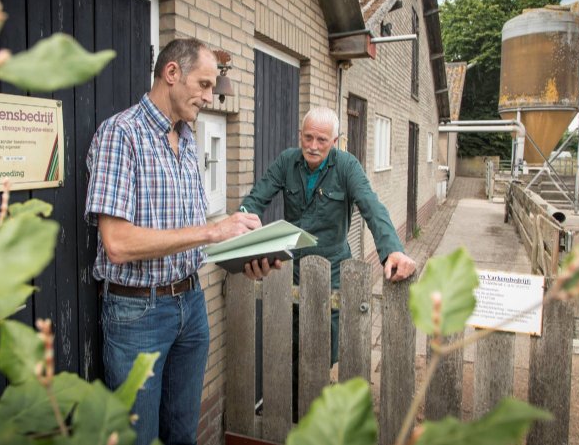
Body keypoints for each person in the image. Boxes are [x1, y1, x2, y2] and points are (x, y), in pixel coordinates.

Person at [85, 38, 276, 445]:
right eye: (204, 85)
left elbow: (189, 230)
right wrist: (213, 231)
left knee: (183, 434)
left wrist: (246, 251)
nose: (210, 97)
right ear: (171, 73)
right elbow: (117, 242)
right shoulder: (122, 135)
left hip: (191, 305)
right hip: (138, 312)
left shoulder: (187, 139)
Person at [239, 106, 416, 417]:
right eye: (308, 137)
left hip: (333, 269)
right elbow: (256, 198)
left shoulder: (347, 166)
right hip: (291, 268)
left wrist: (392, 250)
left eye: (322, 139)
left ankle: (323, 407)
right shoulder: (286, 161)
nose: (313, 146)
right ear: (300, 135)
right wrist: (240, 229)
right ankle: (294, 414)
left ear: (336, 140)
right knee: (291, 340)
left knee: (326, 347)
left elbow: (371, 206)